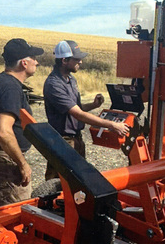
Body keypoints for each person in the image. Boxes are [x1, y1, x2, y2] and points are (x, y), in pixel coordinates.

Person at [43, 40, 129, 179]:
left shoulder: (70, 80)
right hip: (62, 141)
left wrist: (93, 105)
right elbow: (78, 114)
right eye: (77, 59)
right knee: (59, 182)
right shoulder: (54, 84)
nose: (81, 62)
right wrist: (112, 125)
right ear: (64, 60)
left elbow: (76, 108)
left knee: (78, 180)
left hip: (76, 139)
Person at [0, 38, 44, 206]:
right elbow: (3, 131)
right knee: (15, 211)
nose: (37, 62)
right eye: (34, 58)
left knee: (1, 204)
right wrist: (22, 164)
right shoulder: (10, 88)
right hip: (6, 159)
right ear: (24, 63)